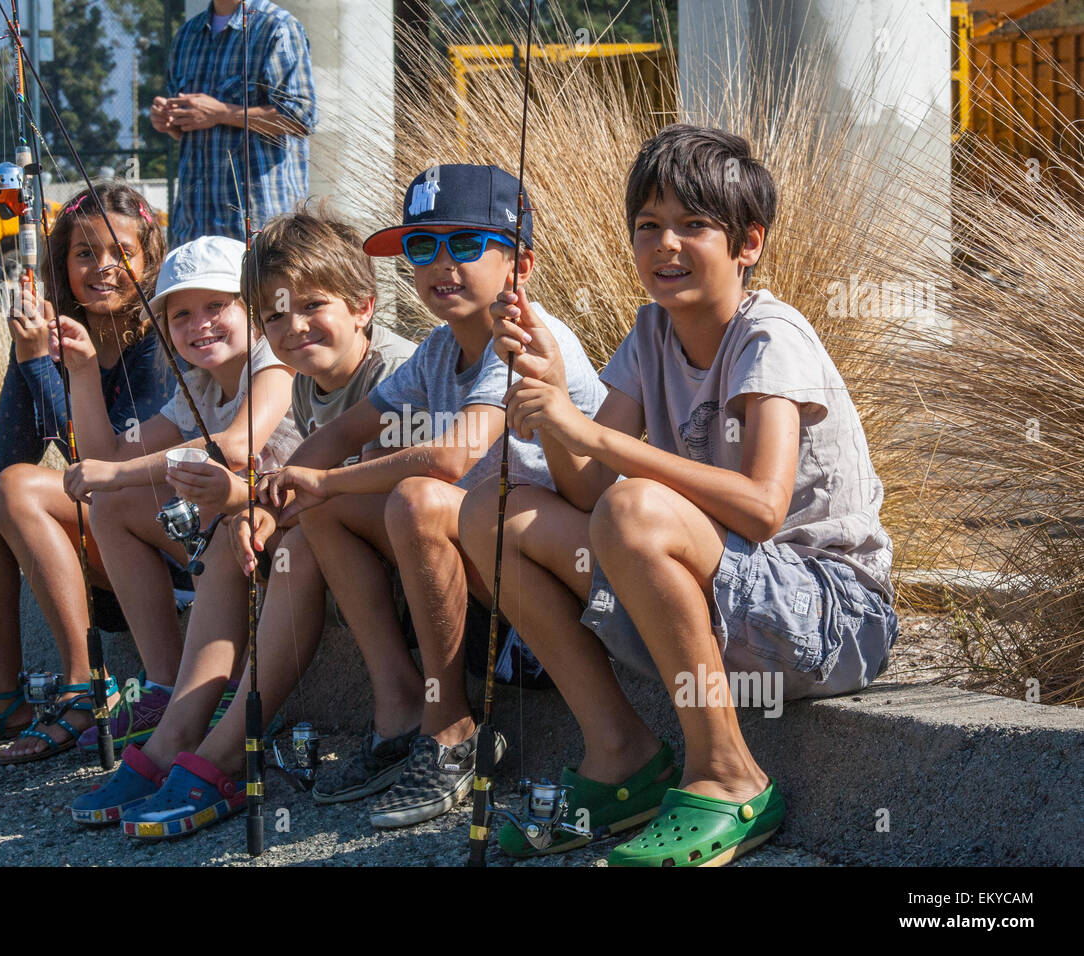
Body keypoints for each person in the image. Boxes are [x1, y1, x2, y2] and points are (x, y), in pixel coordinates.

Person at [460, 124, 899, 866]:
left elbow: (762, 506)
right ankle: (621, 754)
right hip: (725, 606)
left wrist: (591, 434)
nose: (666, 245)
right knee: (494, 511)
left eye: (694, 225)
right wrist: (548, 392)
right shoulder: (649, 335)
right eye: (648, 227)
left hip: (830, 616)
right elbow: (588, 487)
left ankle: (730, 775)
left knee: (636, 510)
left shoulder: (772, 336)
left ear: (748, 243)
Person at [259, 164, 606, 830]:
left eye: (465, 245)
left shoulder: (528, 336)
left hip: (560, 583)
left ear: (520, 263)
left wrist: (326, 481)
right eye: (422, 248)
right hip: (484, 568)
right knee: (322, 509)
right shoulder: (438, 351)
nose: (440, 265)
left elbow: (452, 455)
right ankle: (399, 713)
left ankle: (451, 733)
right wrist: (282, 495)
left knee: (416, 496)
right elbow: (346, 432)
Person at [68, 203, 418, 836]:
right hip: (339, 542)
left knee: (294, 536)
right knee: (240, 527)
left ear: (364, 305)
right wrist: (251, 508)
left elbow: (369, 486)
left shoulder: (375, 369)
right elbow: (296, 481)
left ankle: (226, 749)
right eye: (278, 313)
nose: (295, 326)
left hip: (405, 560)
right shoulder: (311, 375)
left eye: (312, 306)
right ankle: (179, 728)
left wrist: (252, 503)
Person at [8, 233, 301, 763]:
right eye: (180, 314)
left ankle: (219, 691)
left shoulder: (275, 363)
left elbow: (234, 446)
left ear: (255, 310)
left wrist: (114, 476)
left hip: (281, 526)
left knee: (135, 493)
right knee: (114, 506)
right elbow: (111, 460)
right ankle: (166, 685)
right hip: (234, 530)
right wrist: (81, 369)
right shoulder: (199, 386)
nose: (199, 324)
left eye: (217, 305)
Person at [0, 182, 172, 767]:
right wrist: (24, 354)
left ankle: (86, 686)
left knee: (14, 489)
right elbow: (12, 455)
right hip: (105, 531)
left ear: (149, 259)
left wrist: (41, 366)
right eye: (84, 254)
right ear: (62, 264)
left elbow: (108, 463)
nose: (102, 268)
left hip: (160, 541)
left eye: (121, 253)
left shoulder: (161, 341)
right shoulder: (60, 334)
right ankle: (4, 695)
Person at [152, 0, 317, 246]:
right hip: (194, 229)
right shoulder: (187, 36)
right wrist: (169, 120)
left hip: (261, 230)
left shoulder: (277, 27)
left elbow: (301, 117)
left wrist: (222, 113)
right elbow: (191, 128)